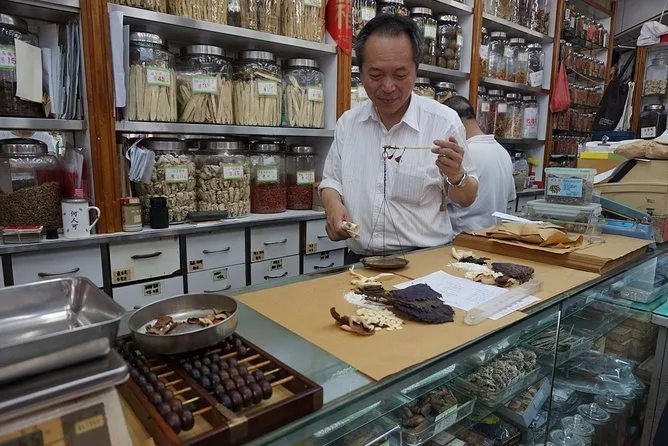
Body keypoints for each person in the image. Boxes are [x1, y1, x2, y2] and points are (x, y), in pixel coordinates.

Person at [318, 15, 479, 263]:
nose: (388, 86)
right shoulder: (348, 124)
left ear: (416, 70)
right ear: (360, 71)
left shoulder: (443, 122)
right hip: (361, 261)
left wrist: (457, 175)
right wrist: (333, 206)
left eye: (400, 74)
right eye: (376, 74)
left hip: (423, 261)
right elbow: (331, 181)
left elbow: (467, 199)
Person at [443, 96, 516, 233]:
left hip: (462, 237)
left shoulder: (461, 156)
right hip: (493, 236)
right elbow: (510, 196)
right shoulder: (503, 152)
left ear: (452, 122)